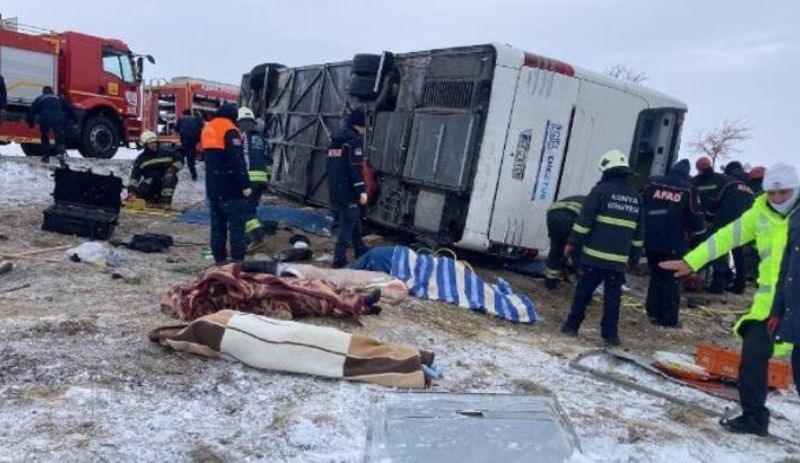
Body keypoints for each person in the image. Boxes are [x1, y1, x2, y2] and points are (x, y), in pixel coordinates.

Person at [660, 162, 800, 436]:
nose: (778, 199)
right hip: (769, 306)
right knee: (752, 356)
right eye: (773, 194)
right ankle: (754, 417)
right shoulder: (758, 214)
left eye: (784, 193)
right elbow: (725, 237)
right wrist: (692, 261)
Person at [560, 149, 644, 346]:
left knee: (583, 293)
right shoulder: (636, 197)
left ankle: (572, 326)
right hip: (618, 261)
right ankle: (610, 335)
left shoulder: (600, 191)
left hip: (594, 258)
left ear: (607, 171)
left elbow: (584, 222)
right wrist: (634, 258)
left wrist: (572, 243)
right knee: (613, 298)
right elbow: (639, 233)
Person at [641, 159, 706, 327]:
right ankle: (668, 319)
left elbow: (641, 204)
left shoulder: (653, 182)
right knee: (671, 280)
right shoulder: (688, 190)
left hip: (651, 240)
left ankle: (653, 312)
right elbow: (697, 221)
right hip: (674, 243)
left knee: (655, 275)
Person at [202, 103, 251, 265]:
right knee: (237, 227)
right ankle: (238, 261)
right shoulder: (230, 130)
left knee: (217, 226)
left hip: (213, 188)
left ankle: (219, 259)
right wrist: (245, 185)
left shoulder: (208, 128)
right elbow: (237, 161)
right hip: (231, 188)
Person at [327, 108, 369, 268]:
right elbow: (355, 168)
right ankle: (339, 258)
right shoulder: (353, 142)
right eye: (364, 127)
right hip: (349, 190)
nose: (364, 130)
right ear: (358, 126)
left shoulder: (335, 141)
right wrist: (361, 191)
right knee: (347, 223)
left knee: (353, 218)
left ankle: (360, 249)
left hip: (335, 189)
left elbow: (330, 166)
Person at [710, 161, 754, 294]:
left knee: (719, 252)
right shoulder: (750, 188)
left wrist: (709, 215)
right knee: (739, 255)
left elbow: (717, 200)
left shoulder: (728, 182)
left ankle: (718, 285)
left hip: (726, 222)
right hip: (744, 225)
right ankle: (739, 286)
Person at [237, 106, 273, 252]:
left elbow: (240, 159)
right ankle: (247, 237)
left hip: (249, 179)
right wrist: (266, 179)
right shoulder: (263, 140)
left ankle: (257, 237)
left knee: (245, 210)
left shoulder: (243, 138)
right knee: (251, 208)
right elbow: (269, 161)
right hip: (261, 180)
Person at [127, 131, 183, 207]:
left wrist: (173, 168)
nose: (153, 145)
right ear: (145, 145)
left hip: (164, 181)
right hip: (151, 183)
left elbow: (180, 160)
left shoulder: (167, 152)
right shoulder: (141, 159)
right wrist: (131, 191)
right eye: (150, 143)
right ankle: (144, 200)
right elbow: (134, 176)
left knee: (169, 177)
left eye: (154, 142)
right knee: (145, 185)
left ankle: (165, 203)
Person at [543, 195, 586, 290]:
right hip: (572, 216)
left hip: (553, 212)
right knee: (577, 252)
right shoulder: (596, 205)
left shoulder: (586, 199)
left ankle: (550, 282)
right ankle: (583, 287)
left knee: (556, 247)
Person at [25, 86, 75, 164]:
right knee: (59, 138)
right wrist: (74, 119)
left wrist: (31, 124)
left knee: (45, 138)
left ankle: (46, 157)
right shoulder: (58, 98)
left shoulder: (40, 98)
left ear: (43, 92)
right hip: (59, 120)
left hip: (45, 120)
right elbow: (69, 109)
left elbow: (31, 111)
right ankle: (60, 152)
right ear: (52, 92)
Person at [175, 109, 203, 181]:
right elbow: (202, 125)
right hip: (193, 143)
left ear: (184, 114)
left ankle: (173, 172)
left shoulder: (181, 120)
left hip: (184, 142)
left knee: (179, 158)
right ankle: (194, 176)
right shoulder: (196, 119)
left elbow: (176, 129)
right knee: (190, 160)